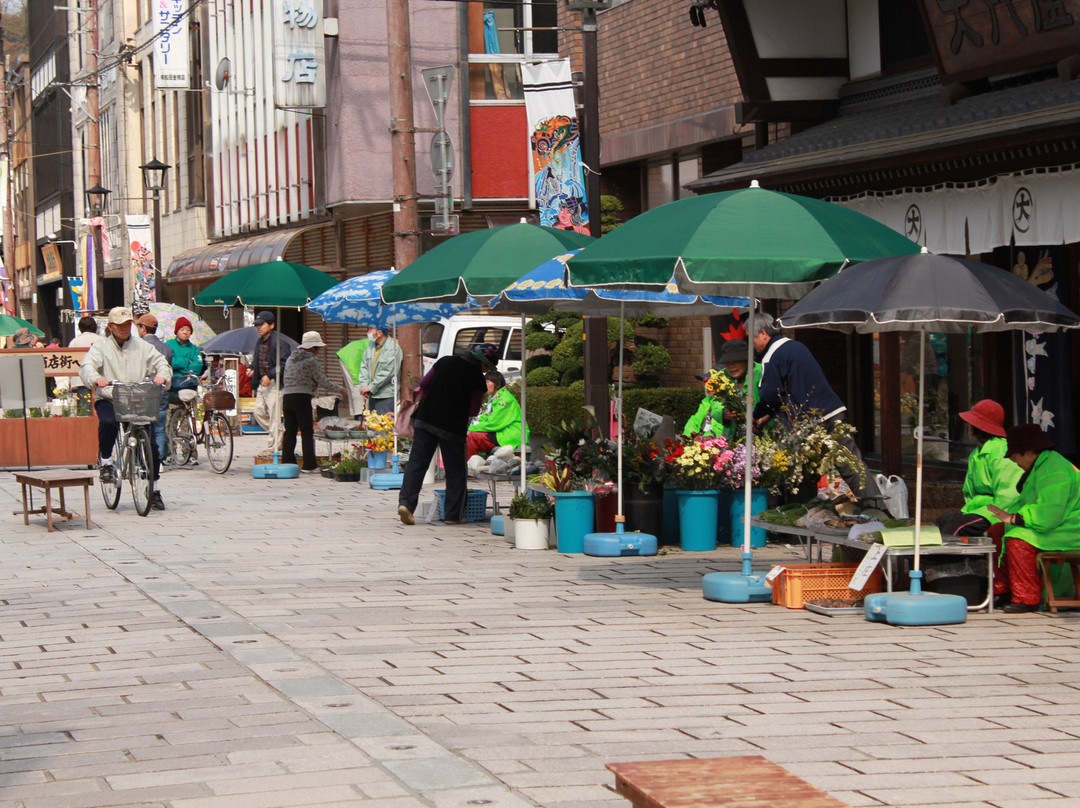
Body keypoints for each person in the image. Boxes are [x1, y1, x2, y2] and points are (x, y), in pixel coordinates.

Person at [751, 313, 882, 506]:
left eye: (751, 338)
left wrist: (755, 416)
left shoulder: (772, 356)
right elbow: (791, 389)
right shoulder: (796, 346)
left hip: (810, 421)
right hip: (833, 410)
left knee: (800, 471)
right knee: (852, 465)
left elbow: (770, 394)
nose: (751, 344)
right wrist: (769, 415)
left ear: (763, 334)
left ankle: (800, 515)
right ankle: (878, 509)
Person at [79, 306, 172, 510]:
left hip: (137, 397)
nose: (124, 329)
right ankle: (105, 462)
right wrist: (97, 379)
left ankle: (154, 489)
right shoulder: (101, 346)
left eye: (127, 325)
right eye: (120, 325)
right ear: (111, 326)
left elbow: (161, 362)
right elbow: (87, 366)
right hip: (110, 396)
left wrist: (162, 375)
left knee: (153, 447)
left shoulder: (142, 346)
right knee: (108, 422)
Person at [398, 344, 496, 526]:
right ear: (482, 363)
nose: (487, 371)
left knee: (417, 463)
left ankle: (406, 505)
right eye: (487, 366)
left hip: (427, 418)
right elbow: (473, 410)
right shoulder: (476, 379)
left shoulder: (444, 362)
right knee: (455, 470)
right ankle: (453, 514)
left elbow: (424, 384)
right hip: (452, 426)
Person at [986, 424, 1080, 613]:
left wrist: (1015, 519)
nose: (1013, 460)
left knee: (1018, 539)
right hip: (1058, 525)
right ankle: (1004, 590)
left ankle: (1027, 598)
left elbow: (1049, 514)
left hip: (1069, 528)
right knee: (996, 531)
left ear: (1028, 452)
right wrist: (1009, 518)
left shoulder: (1054, 469)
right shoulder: (1042, 465)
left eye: (1014, 456)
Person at [935, 399, 1021, 537]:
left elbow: (1009, 496)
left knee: (954, 526)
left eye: (971, 423)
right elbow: (969, 492)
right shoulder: (976, 453)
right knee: (942, 521)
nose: (968, 427)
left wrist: (998, 517)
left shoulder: (1002, 451)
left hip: (996, 512)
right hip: (977, 510)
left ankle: (948, 559)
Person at [281, 331, 347, 473]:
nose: (318, 352)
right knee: (306, 430)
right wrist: (340, 389)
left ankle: (287, 462)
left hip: (287, 397)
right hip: (302, 396)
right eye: (318, 348)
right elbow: (323, 381)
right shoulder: (312, 360)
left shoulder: (290, 358)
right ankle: (309, 465)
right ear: (313, 348)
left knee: (290, 430)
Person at [684, 339, 761, 442]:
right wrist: (724, 414)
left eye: (735, 361)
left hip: (761, 433)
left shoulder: (762, 372)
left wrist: (755, 416)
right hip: (733, 438)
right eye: (727, 362)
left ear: (746, 359)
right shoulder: (721, 376)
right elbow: (715, 405)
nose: (731, 366)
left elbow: (770, 401)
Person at [246, 310, 293, 456]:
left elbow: (284, 364)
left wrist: (270, 375)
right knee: (258, 412)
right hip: (262, 383)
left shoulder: (280, 342)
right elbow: (257, 360)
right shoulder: (259, 341)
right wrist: (252, 368)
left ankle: (273, 447)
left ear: (272, 325)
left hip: (275, 384)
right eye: (257, 325)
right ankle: (280, 432)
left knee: (274, 416)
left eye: (262, 324)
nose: (259, 327)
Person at [135, 314, 174, 468]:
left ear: (143, 328)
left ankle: (141, 459)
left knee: (141, 426)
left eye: (138, 326)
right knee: (159, 427)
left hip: (142, 391)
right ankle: (159, 460)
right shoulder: (166, 348)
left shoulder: (138, 347)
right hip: (161, 392)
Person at [466, 371, 528, 458]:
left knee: (473, 436)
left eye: (487, 382)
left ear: (498, 385)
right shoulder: (494, 397)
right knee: (473, 434)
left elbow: (494, 422)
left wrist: (472, 428)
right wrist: (474, 425)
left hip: (510, 433)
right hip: (501, 430)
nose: (484, 385)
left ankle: (468, 465)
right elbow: (486, 416)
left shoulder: (505, 399)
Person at [356, 327, 402, 415]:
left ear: (379, 333)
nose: (368, 332)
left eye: (370, 330)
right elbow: (364, 367)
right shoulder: (370, 346)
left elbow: (387, 372)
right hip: (372, 393)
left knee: (384, 425)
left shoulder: (393, 349)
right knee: (372, 423)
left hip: (386, 395)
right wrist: (364, 385)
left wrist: (370, 387)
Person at [167, 316, 204, 390]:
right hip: (174, 379)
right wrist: (187, 361)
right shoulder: (169, 345)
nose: (185, 332)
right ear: (176, 331)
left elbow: (198, 365)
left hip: (191, 380)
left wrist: (180, 368)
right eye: (182, 329)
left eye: (188, 330)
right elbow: (169, 362)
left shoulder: (194, 348)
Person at [337, 335, 370, 418]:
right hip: (353, 358)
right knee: (358, 384)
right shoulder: (384, 345)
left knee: (352, 387)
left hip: (346, 355)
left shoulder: (378, 341)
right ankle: (360, 414)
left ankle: (356, 412)